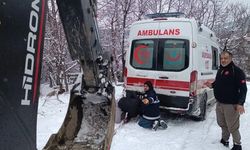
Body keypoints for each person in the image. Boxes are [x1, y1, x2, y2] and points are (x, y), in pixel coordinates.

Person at [206, 51, 247, 150]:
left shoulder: (237, 71)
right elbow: (218, 83)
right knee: (222, 123)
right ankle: (225, 140)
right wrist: (212, 85)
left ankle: (237, 145)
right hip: (219, 103)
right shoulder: (221, 70)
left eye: (226, 58)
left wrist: (240, 103)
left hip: (231, 105)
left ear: (231, 58)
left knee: (232, 126)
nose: (223, 60)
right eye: (221, 58)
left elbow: (243, 89)